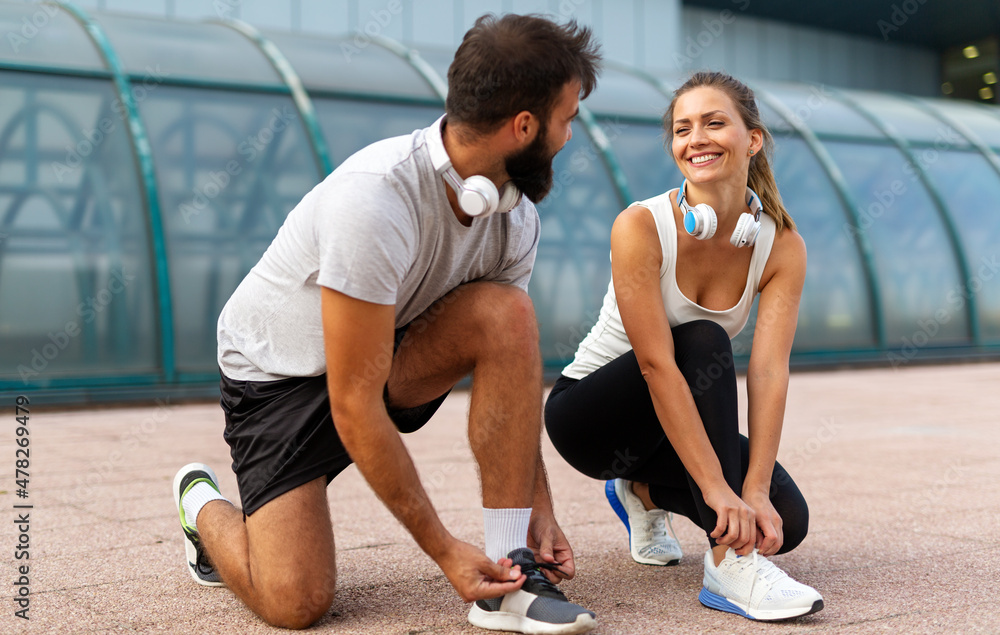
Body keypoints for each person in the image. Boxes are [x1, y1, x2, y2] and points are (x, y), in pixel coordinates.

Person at [172, 14, 602, 634]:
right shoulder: (375, 200)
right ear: (524, 127)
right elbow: (352, 401)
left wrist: (538, 507)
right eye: (568, 118)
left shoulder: (514, 220)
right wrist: (444, 550)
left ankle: (510, 578)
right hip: (278, 381)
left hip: (388, 356)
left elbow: (512, 362)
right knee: (295, 602)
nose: (569, 134)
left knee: (507, 313)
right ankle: (200, 505)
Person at [544, 71, 824, 622]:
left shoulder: (782, 245)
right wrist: (721, 492)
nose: (695, 138)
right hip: (592, 419)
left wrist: (756, 489)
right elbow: (656, 365)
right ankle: (729, 567)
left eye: (714, 123)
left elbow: (769, 371)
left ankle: (643, 493)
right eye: (682, 128)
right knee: (702, 340)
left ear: (753, 139)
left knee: (786, 521)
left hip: (667, 429)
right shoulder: (641, 226)